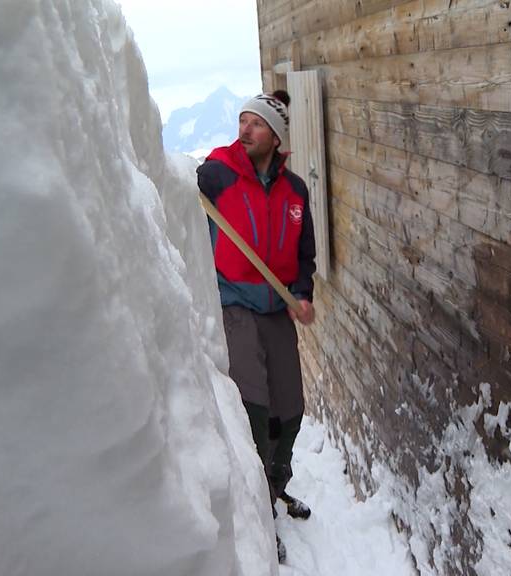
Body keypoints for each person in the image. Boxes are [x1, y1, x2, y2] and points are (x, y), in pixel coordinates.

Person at [196, 90, 316, 563]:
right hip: (236, 307)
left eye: (257, 124)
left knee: (290, 410)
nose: (245, 130)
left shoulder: (296, 192)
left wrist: (303, 293)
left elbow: (304, 255)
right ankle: (259, 510)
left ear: (277, 137)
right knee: (255, 408)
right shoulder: (220, 173)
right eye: (243, 121)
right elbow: (175, 178)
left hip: (277, 310)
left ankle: (276, 485)